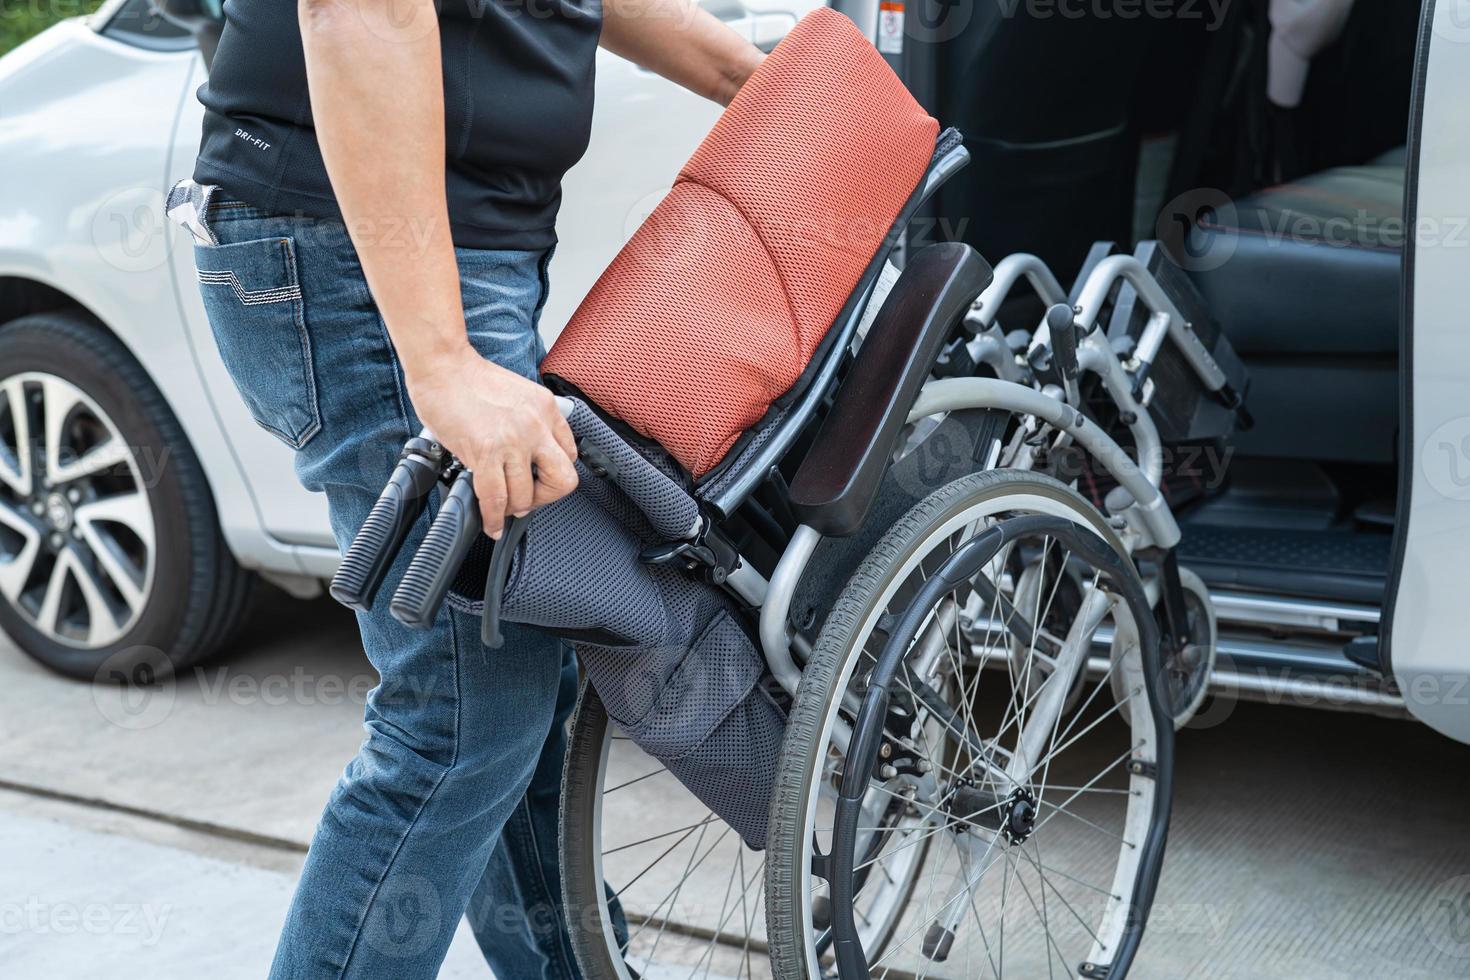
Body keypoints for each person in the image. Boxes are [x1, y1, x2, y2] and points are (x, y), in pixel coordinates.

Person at [168, 1, 764, 976]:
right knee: (460, 713)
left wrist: (758, 80)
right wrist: (441, 364)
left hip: (449, 250)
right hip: (358, 252)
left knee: (517, 680)